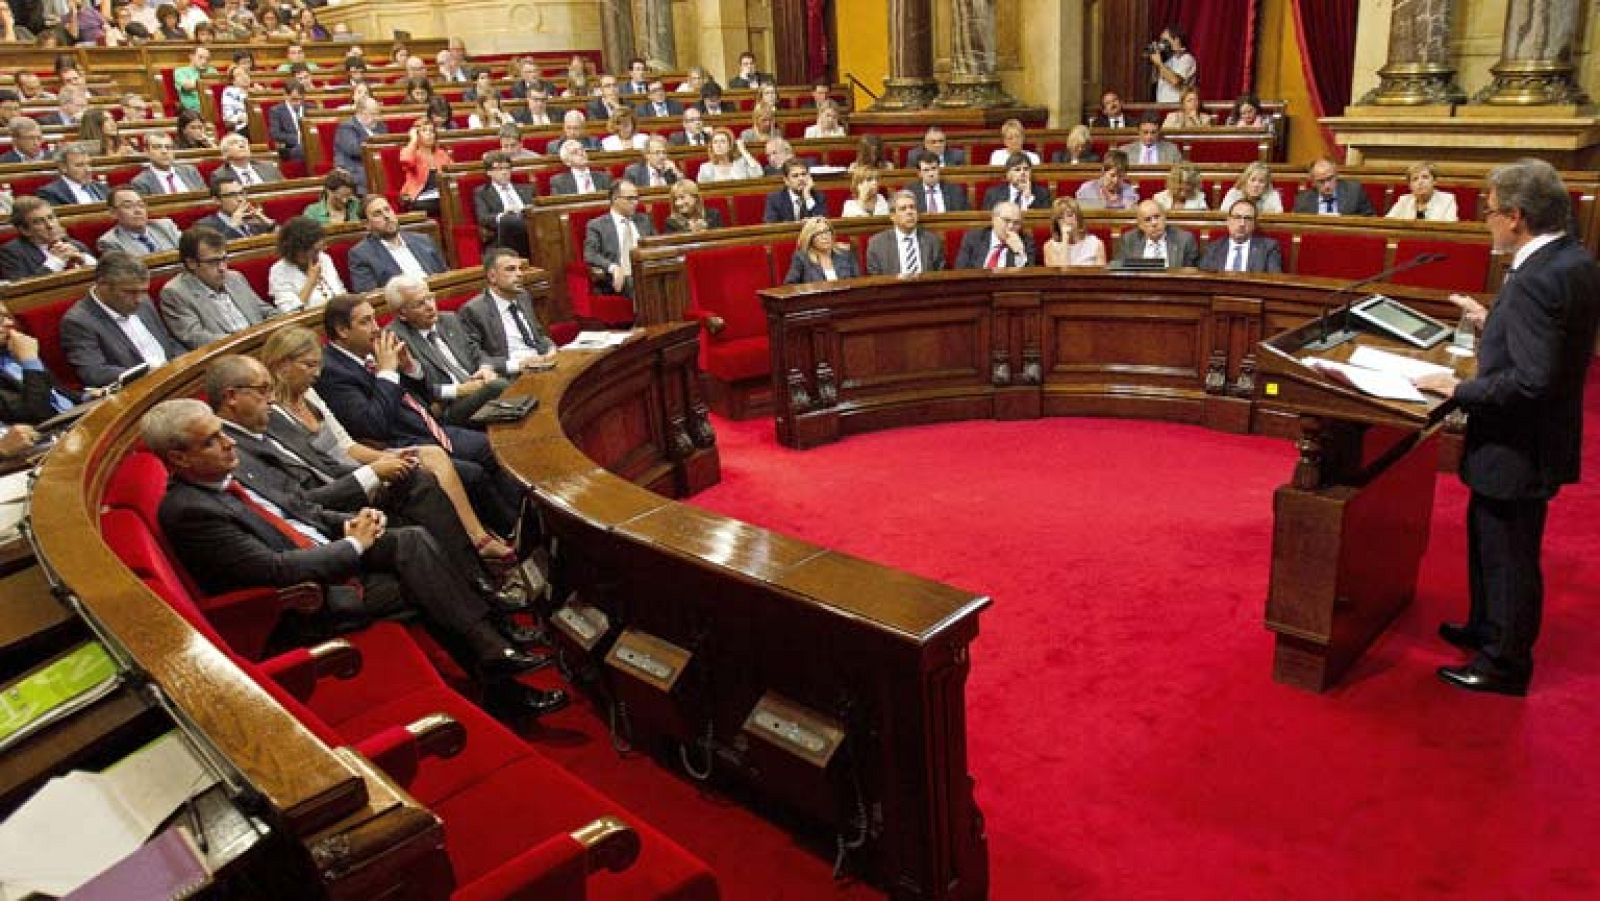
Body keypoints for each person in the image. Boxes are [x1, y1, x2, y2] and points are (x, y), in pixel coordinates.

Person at [143, 397, 564, 713]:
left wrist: (350, 522)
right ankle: (500, 670)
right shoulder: (190, 511)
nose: (228, 442)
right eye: (212, 440)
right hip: (311, 598)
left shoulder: (226, 475)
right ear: (179, 457)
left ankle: (494, 649)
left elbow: (303, 510)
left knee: (413, 539)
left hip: (327, 549)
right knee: (422, 579)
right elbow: (276, 569)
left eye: (223, 431)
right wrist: (355, 545)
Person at [1410, 159, 1600, 697]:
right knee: (1490, 539)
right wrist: (1492, 322)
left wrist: (1458, 390)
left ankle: (1504, 663)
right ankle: (1486, 628)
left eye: (1490, 212)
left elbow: (1534, 380)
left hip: (1517, 445)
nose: (1487, 222)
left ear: (1516, 216)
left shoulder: (1537, 277)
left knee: (1510, 553)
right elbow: (1550, 348)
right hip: (1530, 442)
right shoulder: (1572, 260)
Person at [259, 326, 523, 575]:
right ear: (282, 365)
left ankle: (479, 537)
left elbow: (347, 444)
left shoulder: (309, 394)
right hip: (346, 480)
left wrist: (389, 457)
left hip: (365, 459)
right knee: (433, 475)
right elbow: (343, 450)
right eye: (309, 365)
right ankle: (476, 550)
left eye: (318, 365)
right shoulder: (273, 415)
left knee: (431, 453)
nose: (316, 373)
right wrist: (378, 465)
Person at [315, 294, 525, 534]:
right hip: (402, 444)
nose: (376, 328)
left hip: (429, 427)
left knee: (493, 447)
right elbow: (373, 426)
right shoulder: (332, 371)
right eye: (366, 321)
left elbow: (422, 396)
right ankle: (511, 531)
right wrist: (387, 372)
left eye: (375, 319)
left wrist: (409, 368)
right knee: (473, 474)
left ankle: (524, 517)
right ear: (342, 330)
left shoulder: (368, 352)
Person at [384, 273, 510, 427]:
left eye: (430, 298)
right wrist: (459, 390)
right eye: (419, 304)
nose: (430, 306)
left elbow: (475, 351)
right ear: (401, 314)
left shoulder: (449, 319)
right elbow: (415, 389)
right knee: (500, 386)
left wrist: (485, 368)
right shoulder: (395, 339)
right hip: (448, 408)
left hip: (478, 388)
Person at [61, 251, 184, 388]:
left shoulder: (143, 300)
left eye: (143, 291)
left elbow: (167, 341)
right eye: (130, 292)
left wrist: (184, 361)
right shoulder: (79, 321)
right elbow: (93, 372)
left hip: (174, 377)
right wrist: (147, 373)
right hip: (139, 389)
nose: (139, 300)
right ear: (103, 285)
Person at [159, 225, 273, 349]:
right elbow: (195, 337)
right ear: (191, 263)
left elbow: (264, 310)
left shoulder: (235, 277)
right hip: (228, 355)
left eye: (224, 259)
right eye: (213, 262)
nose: (222, 268)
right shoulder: (175, 292)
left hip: (264, 344)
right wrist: (245, 340)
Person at [456, 253, 558, 375]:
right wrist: (517, 365)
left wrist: (550, 348)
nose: (520, 274)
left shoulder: (523, 296)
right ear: (492, 276)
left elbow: (539, 334)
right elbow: (475, 357)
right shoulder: (473, 310)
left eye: (520, 269)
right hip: (512, 375)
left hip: (541, 365)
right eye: (511, 269)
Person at [0, 300, 83, 425]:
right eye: (0, 320)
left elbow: (56, 391)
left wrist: (85, 397)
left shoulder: (12, 348)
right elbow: (38, 414)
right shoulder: (24, 353)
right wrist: (30, 361)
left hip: (75, 416)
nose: (10, 323)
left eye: (6, 316)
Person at [346, 195, 449, 292]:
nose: (386, 216)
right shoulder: (361, 255)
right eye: (377, 214)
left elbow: (446, 276)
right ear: (366, 224)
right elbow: (370, 296)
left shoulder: (423, 240)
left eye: (387, 210)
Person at [583, 179, 654, 299]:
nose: (635, 203)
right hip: (618, 279)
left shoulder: (644, 220)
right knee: (635, 283)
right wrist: (613, 267)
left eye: (637, 198)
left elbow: (656, 245)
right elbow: (590, 254)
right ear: (615, 199)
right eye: (630, 198)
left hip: (648, 272)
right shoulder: (597, 225)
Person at [0, 197, 97, 281]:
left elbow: (103, 274)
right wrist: (56, 261)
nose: (50, 225)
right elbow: (21, 290)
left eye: (51, 218)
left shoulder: (75, 245)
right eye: (39, 222)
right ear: (25, 230)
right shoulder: (11, 253)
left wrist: (85, 260)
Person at [269, 216, 347, 313]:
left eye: (321, 248)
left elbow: (341, 292)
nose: (321, 252)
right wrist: (311, 281)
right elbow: (291, 313)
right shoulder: (279, 271)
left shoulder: (324, 258)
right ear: (298, 251)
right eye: (315, 250)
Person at [474, 150, 537, 256]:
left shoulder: (527, 189)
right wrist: (502, 215)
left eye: (507, 168)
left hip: (531, 230)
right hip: (502, 236)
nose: (504, 172)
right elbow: (483, 218)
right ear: (489, 172)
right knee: (509, 220)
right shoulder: (482, 193)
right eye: (499, 169)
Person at [866, 191, 944, 277]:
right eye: (903, 209)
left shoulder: (932, 240)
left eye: (912, 207)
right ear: (893, 216)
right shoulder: (877, 244)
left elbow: (939, 275)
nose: (909, 212)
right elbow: (876, 279)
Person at [1198, 199, 1281, 273]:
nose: (1242, 224)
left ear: (1254, 223)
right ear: (1228, 221)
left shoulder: (1268, 248)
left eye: (1248, 218)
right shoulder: (1213, 248)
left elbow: (1273, 281)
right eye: (1237, 217)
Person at [97, 188, 182, 257]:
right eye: (128, 206)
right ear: (113, 213)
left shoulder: (166, 225)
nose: (138, 211)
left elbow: (189, 251)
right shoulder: (110, 242)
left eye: (141, 205)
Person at [1115, 199, 1200, 268]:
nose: (1154, 223)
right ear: (1140, 225)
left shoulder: (1184, 240)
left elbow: (1191, 273)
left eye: (1157, 217)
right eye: (1148, 220)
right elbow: (1118, 267)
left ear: (1164, 217)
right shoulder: (1129, 239)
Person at [956, 201, 1036, 270]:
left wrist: (1019, 253)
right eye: (1006, 220)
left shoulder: (1026, 242)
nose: (1011, 226)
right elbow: (961, 270)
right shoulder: (974, 238)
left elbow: (1028, 278)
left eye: (1016, 223)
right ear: (994, 219)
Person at [195, 171, 275, 240]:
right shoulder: (204, 226)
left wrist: (268, 222)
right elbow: (213, 250)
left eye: (241, 193)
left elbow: (282, 241)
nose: (240, 199)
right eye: (232, 195)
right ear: (217, 200)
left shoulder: (254, 220)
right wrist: (232, 226)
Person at [334, 96, 386, 194]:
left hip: (377, 167)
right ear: (361, 112)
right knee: (369, 178)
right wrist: (374, 143)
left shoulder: (380, 126)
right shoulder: (347, 127)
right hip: (354, 169)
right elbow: (354, 150)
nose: (376, 118)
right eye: (373, 114)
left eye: (378, 114)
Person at [398, 120, 452, 215]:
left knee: (453, 200)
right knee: (445, 203)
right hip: (420, 197)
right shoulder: (412, 153)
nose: (429, 134)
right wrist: (413, 140)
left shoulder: (441, 154)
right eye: (424, 130)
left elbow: (453, 171)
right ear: (417, 134)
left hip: (440, 194)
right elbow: (405, 160)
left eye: (431, 131)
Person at [784, 217, 858, 284]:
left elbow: (858, 281)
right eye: (819, 233)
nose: (825, 237)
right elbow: (790, 285)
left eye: (827, 231)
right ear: (810, 238)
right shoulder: (802, 258)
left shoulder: (845, 253)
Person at [1292, 157, 1375, 216]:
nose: (1327, 185)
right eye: (1321, 181)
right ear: (1313, 182)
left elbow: (1370, 220)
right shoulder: (1303, 201)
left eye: (1330, 179)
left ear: (1336, 175)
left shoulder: (1354, 192)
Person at [1042, 197, 1106, 267]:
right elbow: (1061, 275)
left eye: (1069, 215)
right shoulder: (1049, 246)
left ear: (1078, 218)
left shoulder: (1096, 244)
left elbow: (1100, 276)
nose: (1065, 220)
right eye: (1060, 218)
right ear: (1056, 222)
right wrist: (1065, 238)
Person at [38, 144, 110, 207]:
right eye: (79, 165)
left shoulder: (101, 187)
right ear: (63, 167)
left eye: (89, 164)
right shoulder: (50, 193)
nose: (88, 170)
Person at [1387, 161, 1459, 221]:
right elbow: (1387, 222)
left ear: (1434, 181)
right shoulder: (1404, 200)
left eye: (1425, 177)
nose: (1420, 182)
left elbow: (1449, 229)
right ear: (1410, 185)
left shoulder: (1447, 200)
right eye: (1415, 179)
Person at [981, 154, 1052, 211]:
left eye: (1026, 169)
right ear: (1008, 174)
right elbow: (987, 222)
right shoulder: (993, 194)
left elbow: (1043, 222)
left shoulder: (1043, 193)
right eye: (1017, 170)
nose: (1023, 173)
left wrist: (1029, 198)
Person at [1075, 152, 1140, 210]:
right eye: (1112, 175)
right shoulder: (1087, 189)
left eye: (1120, 176)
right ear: (1103, 171)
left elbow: (1131, 211)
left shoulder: (1128, 189)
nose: (1116, 180)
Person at [1148, 25, 1196, 104]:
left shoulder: (1186, 58)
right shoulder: (1168, 60)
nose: (1161, 44)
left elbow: (1175, 81)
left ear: (1176, 40)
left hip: (1176, 106)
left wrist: (1159, 63)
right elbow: (1154, 83)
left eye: (1164, 41)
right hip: (1161, 106)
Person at [697, 127, 763, 183]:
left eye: (722, 141)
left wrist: (743, 151)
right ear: (712, 147)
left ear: (730, 146)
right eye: (715, 142)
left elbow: (758, 174)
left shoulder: (741, 163)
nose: (718, 145)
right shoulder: (705, 168)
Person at [549, 140, 613, 195]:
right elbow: (559, 206)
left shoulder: (604, 177)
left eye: (582, 149)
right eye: (575, 152)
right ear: (567, 162)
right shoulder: (558, 182)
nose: (581, 153)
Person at [218, 132, 284, 185]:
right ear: (225, 153)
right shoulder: (221, 176)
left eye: (244, 142)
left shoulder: (269, 167)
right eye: (234, 143)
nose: (241, 145)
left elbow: (285, 188)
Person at [267, 81, 311, 162]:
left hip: (310, 143)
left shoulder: (311, 107)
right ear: (286, 95)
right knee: (302, 149)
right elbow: (275, 134)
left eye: (300, 99)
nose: (298, 102)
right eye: (294, 99)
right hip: (289, 147)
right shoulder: (276, 111)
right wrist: (299, 139)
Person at [173, 45, 216, 111]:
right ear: (191, 57)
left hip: (212, 106)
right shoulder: (180, 71)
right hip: (193, 110)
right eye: (200, 57)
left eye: (207, 59)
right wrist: (207, 82)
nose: (204, 61)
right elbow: (187, 86)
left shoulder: (212, 70)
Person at [219, 64, 257, 134]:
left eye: (246, 74)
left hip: (258, 125)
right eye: (239, 75)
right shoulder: (229, 92)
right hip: (241, 128)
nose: (244, 77)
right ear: (233, 81)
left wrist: (260, 92)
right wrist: (244, 118)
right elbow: (228, 118)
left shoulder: (256, 91)